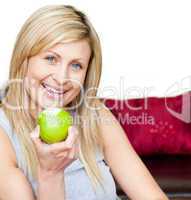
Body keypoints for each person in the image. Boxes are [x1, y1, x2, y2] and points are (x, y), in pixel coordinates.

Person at [0, 4, 169, 200]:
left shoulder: (95, 114)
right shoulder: (4, 135)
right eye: (51, 58)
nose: (62, 78)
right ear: (24, 58)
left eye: (76, 65)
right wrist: (50, 174)